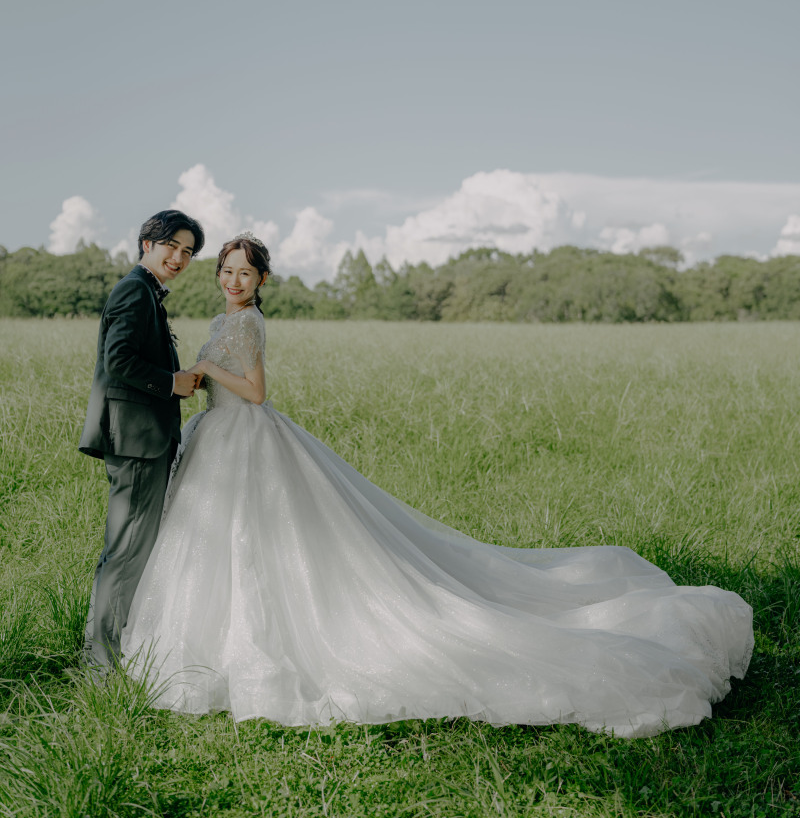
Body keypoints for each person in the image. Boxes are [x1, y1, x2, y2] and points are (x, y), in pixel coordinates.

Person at [122, 233, 753, 737]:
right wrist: (197, 376)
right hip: (223, 438)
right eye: (227, 271)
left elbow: (257, 392)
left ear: (262, 280)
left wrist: (205, 370)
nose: (234, 280)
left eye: (245, 272)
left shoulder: (246, 324)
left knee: (261, 539)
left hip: (247, 436)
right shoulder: (224, 319)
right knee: (237, 542)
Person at [80, 208, 205, 671]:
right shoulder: (134, 289)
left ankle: (106, 649)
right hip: (136, 441)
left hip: (143, 439)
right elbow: (118, 360)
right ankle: (103, 664)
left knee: (129, 547)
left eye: (188, 252)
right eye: (172, 246)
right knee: (127, 549)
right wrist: (172, 382)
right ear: (147, 243)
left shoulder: (147, 291)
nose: (179, 258)